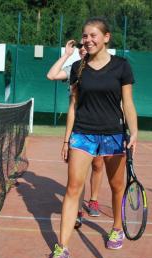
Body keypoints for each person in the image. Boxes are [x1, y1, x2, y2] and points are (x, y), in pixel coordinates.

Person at [46, 17, 138, 258]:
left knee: (117, 186)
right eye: (85, 35)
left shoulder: (122, 66)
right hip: (83, 135)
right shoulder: (78, 68)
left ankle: (117, 227)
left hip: (114, 135)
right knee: (73, 188)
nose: (88, 39)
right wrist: (67, 140)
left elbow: (127, 103)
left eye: (93, 35)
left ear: (106, 37)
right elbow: (74, 106)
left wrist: (135, 132)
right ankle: (62, 248)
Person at [47, 39, 105, 229]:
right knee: (77, 173)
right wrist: (66, 54)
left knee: (97, 164)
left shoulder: (103, 68)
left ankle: (93, 200)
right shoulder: (73, 67)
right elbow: (51, 75)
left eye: (84, 45)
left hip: (100, 124)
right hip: (79, 126)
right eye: (79, 46)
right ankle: (78, 211)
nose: (82, 48)